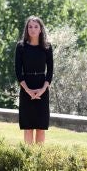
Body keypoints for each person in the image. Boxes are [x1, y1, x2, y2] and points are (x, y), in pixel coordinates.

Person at [14, 16, 53, 144]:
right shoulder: (20, 47)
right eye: (30, 26)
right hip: (26, 88)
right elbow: (18, 73)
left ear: (41, 29)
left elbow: (50, 71)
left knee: (41, 127)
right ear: (26, 29)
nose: (33, 29)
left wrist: (42, 90)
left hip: (43, 88)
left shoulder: (47, 47)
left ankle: (39, 158)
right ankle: (28, 157)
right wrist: (28, 91)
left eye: (36, 26)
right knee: (28, 127)